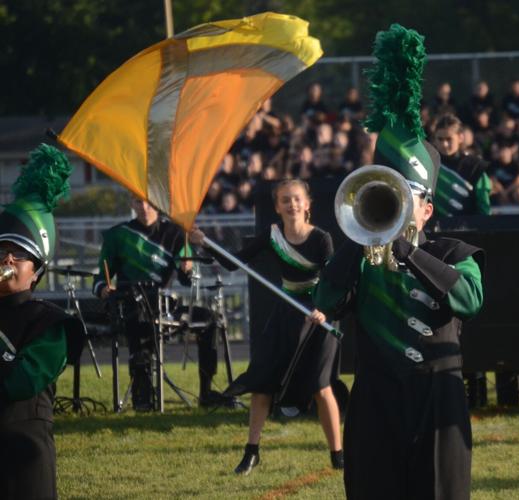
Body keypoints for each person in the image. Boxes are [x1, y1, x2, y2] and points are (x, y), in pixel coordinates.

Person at [315, 24, 485, 499]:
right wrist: (355, 238)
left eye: (407, 196)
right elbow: (325, 300)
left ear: (427, 208)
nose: (397, 204)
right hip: (375, 398)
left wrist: (410, 253)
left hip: (437, 397)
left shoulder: (455, 253)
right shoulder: (360, 256)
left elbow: (469, 301)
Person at [189, 178, 343, 474]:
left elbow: (332, 281)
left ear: (307, 204)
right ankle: (251, 452)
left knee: (321, 387)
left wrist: (323, 309)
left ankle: (338, 454)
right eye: (285, 199)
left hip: (317, 315)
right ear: (277, 207)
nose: (291, 204)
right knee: (262, 383)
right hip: (286, 314)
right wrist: (204, 242)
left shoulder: (322, 238)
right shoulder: (272, 235)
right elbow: (236, 262)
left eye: (297, 198)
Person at [0, 144, 85, 499]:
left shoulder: (51, 324)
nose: (7, 258)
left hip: (24, 459)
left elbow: (18, 383)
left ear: (36, 272)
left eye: (20, 254)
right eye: (2, 249)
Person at [92, 197, 222, 409]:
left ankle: (206, 392)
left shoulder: (176, 233)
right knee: (139, 318)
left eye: (149, 203)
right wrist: (104, 289)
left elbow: (185, 280)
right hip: (131, 306)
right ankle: (143, 395)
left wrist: (187, 269)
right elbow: (99, 280)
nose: (144, 208)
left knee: (209, 320)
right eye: (137, 202)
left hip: (165, 308)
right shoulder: (118, 235)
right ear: (131, 205)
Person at [432, 113, 492, 217]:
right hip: (434, 230)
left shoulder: (476, 167)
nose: (444, 144)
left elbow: (484, 209)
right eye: (440, 139)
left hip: (469, 230)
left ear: (460, 138)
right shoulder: (430, 165)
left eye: (449, 139)